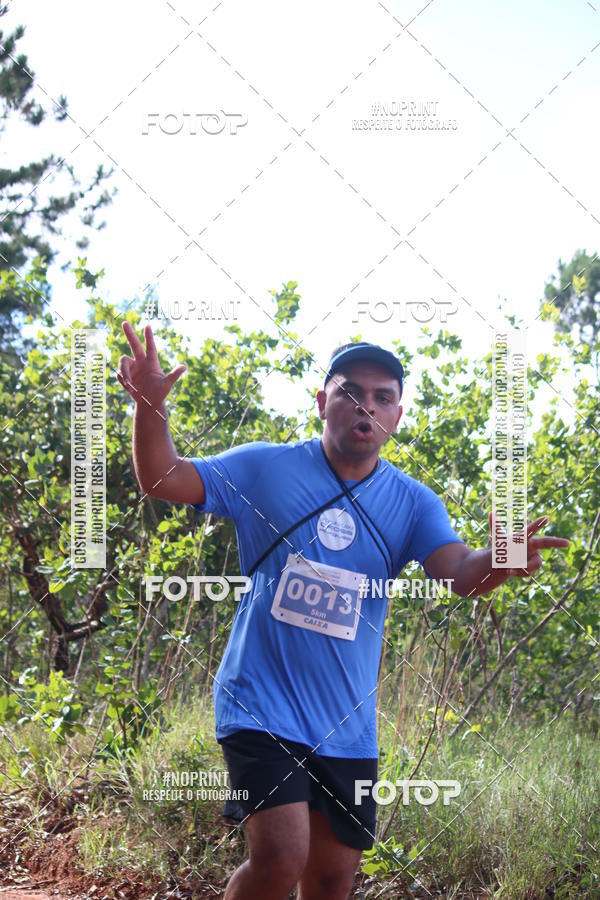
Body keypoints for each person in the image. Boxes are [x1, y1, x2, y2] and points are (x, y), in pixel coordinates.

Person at [118, 323, 570, 900]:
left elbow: (459, 572)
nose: (366, 406)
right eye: (350, 392)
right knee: (280, 858)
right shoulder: (265, 469)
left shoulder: (413, 503)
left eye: (382, 397)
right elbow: (163, 477)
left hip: (346, 726)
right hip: (259, 705)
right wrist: (150, 406)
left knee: (333, 879)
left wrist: (500, 560)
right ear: (321, 403)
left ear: (397, 416)